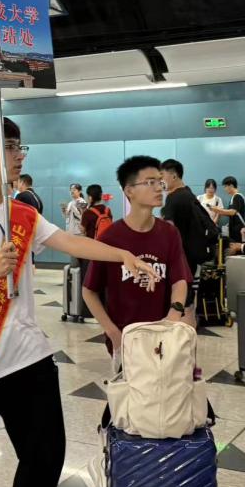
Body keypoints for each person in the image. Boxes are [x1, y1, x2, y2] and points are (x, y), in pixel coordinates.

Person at [0, 117, 159, 487]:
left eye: (21, 147)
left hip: (27, 356)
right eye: (10, 147)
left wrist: (122, 255)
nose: (19, 155)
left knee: (47, 460)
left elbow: (70, 242)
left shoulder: (23, 213)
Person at [83, 155, 193, 425]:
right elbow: (89, 291)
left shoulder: (168, 233)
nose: (159, 188)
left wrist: (174, 314)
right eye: (150, 182)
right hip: (126, 339)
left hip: (163, 334)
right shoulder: (111, 237)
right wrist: (112, 332)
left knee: (166, 407)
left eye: (160, 182)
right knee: (131, 408)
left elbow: (180, 280)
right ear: (129, 190)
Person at [159, 159, 198, 261]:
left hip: (179, 253)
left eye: (162, 176)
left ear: (174, 177)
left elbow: (169, 228)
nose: (160, 180)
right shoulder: (190, 193)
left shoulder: (172, 197)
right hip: (192, 252)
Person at [80, 184, 113, 281]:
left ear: (90, 198)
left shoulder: (87, 212)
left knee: (88, 276)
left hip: (91, 249)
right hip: (106, 247)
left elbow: (82, 230)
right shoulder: (107, 210)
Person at [212, 176, 245, 245]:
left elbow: (232, 212)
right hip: (234, 230)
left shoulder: (237, 197)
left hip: (239, 231)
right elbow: (229, 213)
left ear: (231, 186)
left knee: (238, 249)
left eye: (225, 186)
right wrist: (217, 210)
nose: (225, 189)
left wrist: (217, 210)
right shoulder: (233, 198)